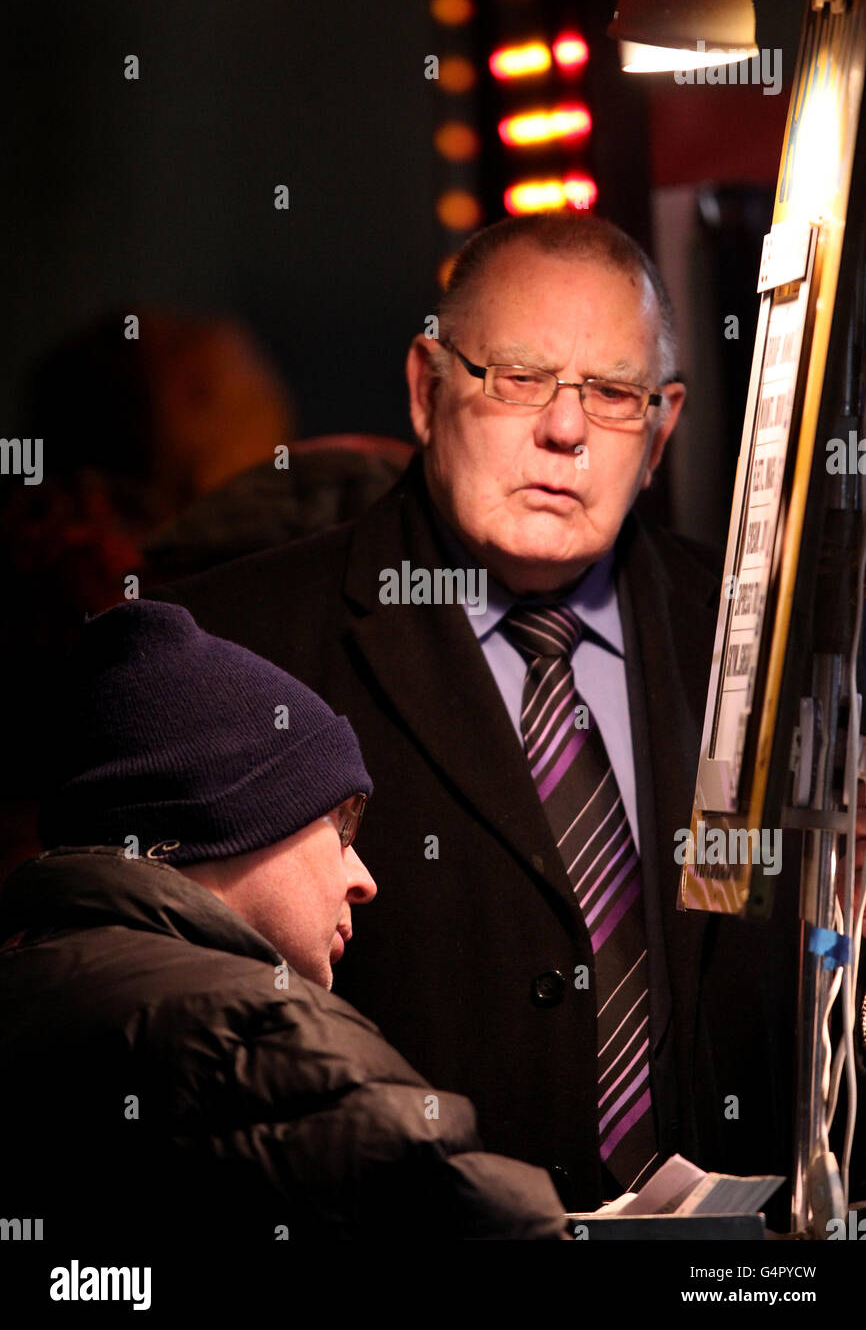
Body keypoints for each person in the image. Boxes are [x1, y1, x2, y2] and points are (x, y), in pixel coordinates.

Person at [148, 211, 863, 1219]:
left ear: (659, 428)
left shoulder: (771, 646)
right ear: (424, 385)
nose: (563, 429)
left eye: (611, 394)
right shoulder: (235, 648)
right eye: (517, 378)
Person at [0, 600, 567, 1248]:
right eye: (343, 823)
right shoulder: (265, 1031)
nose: (365, 879)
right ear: (219, 821)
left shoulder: (35, 987)